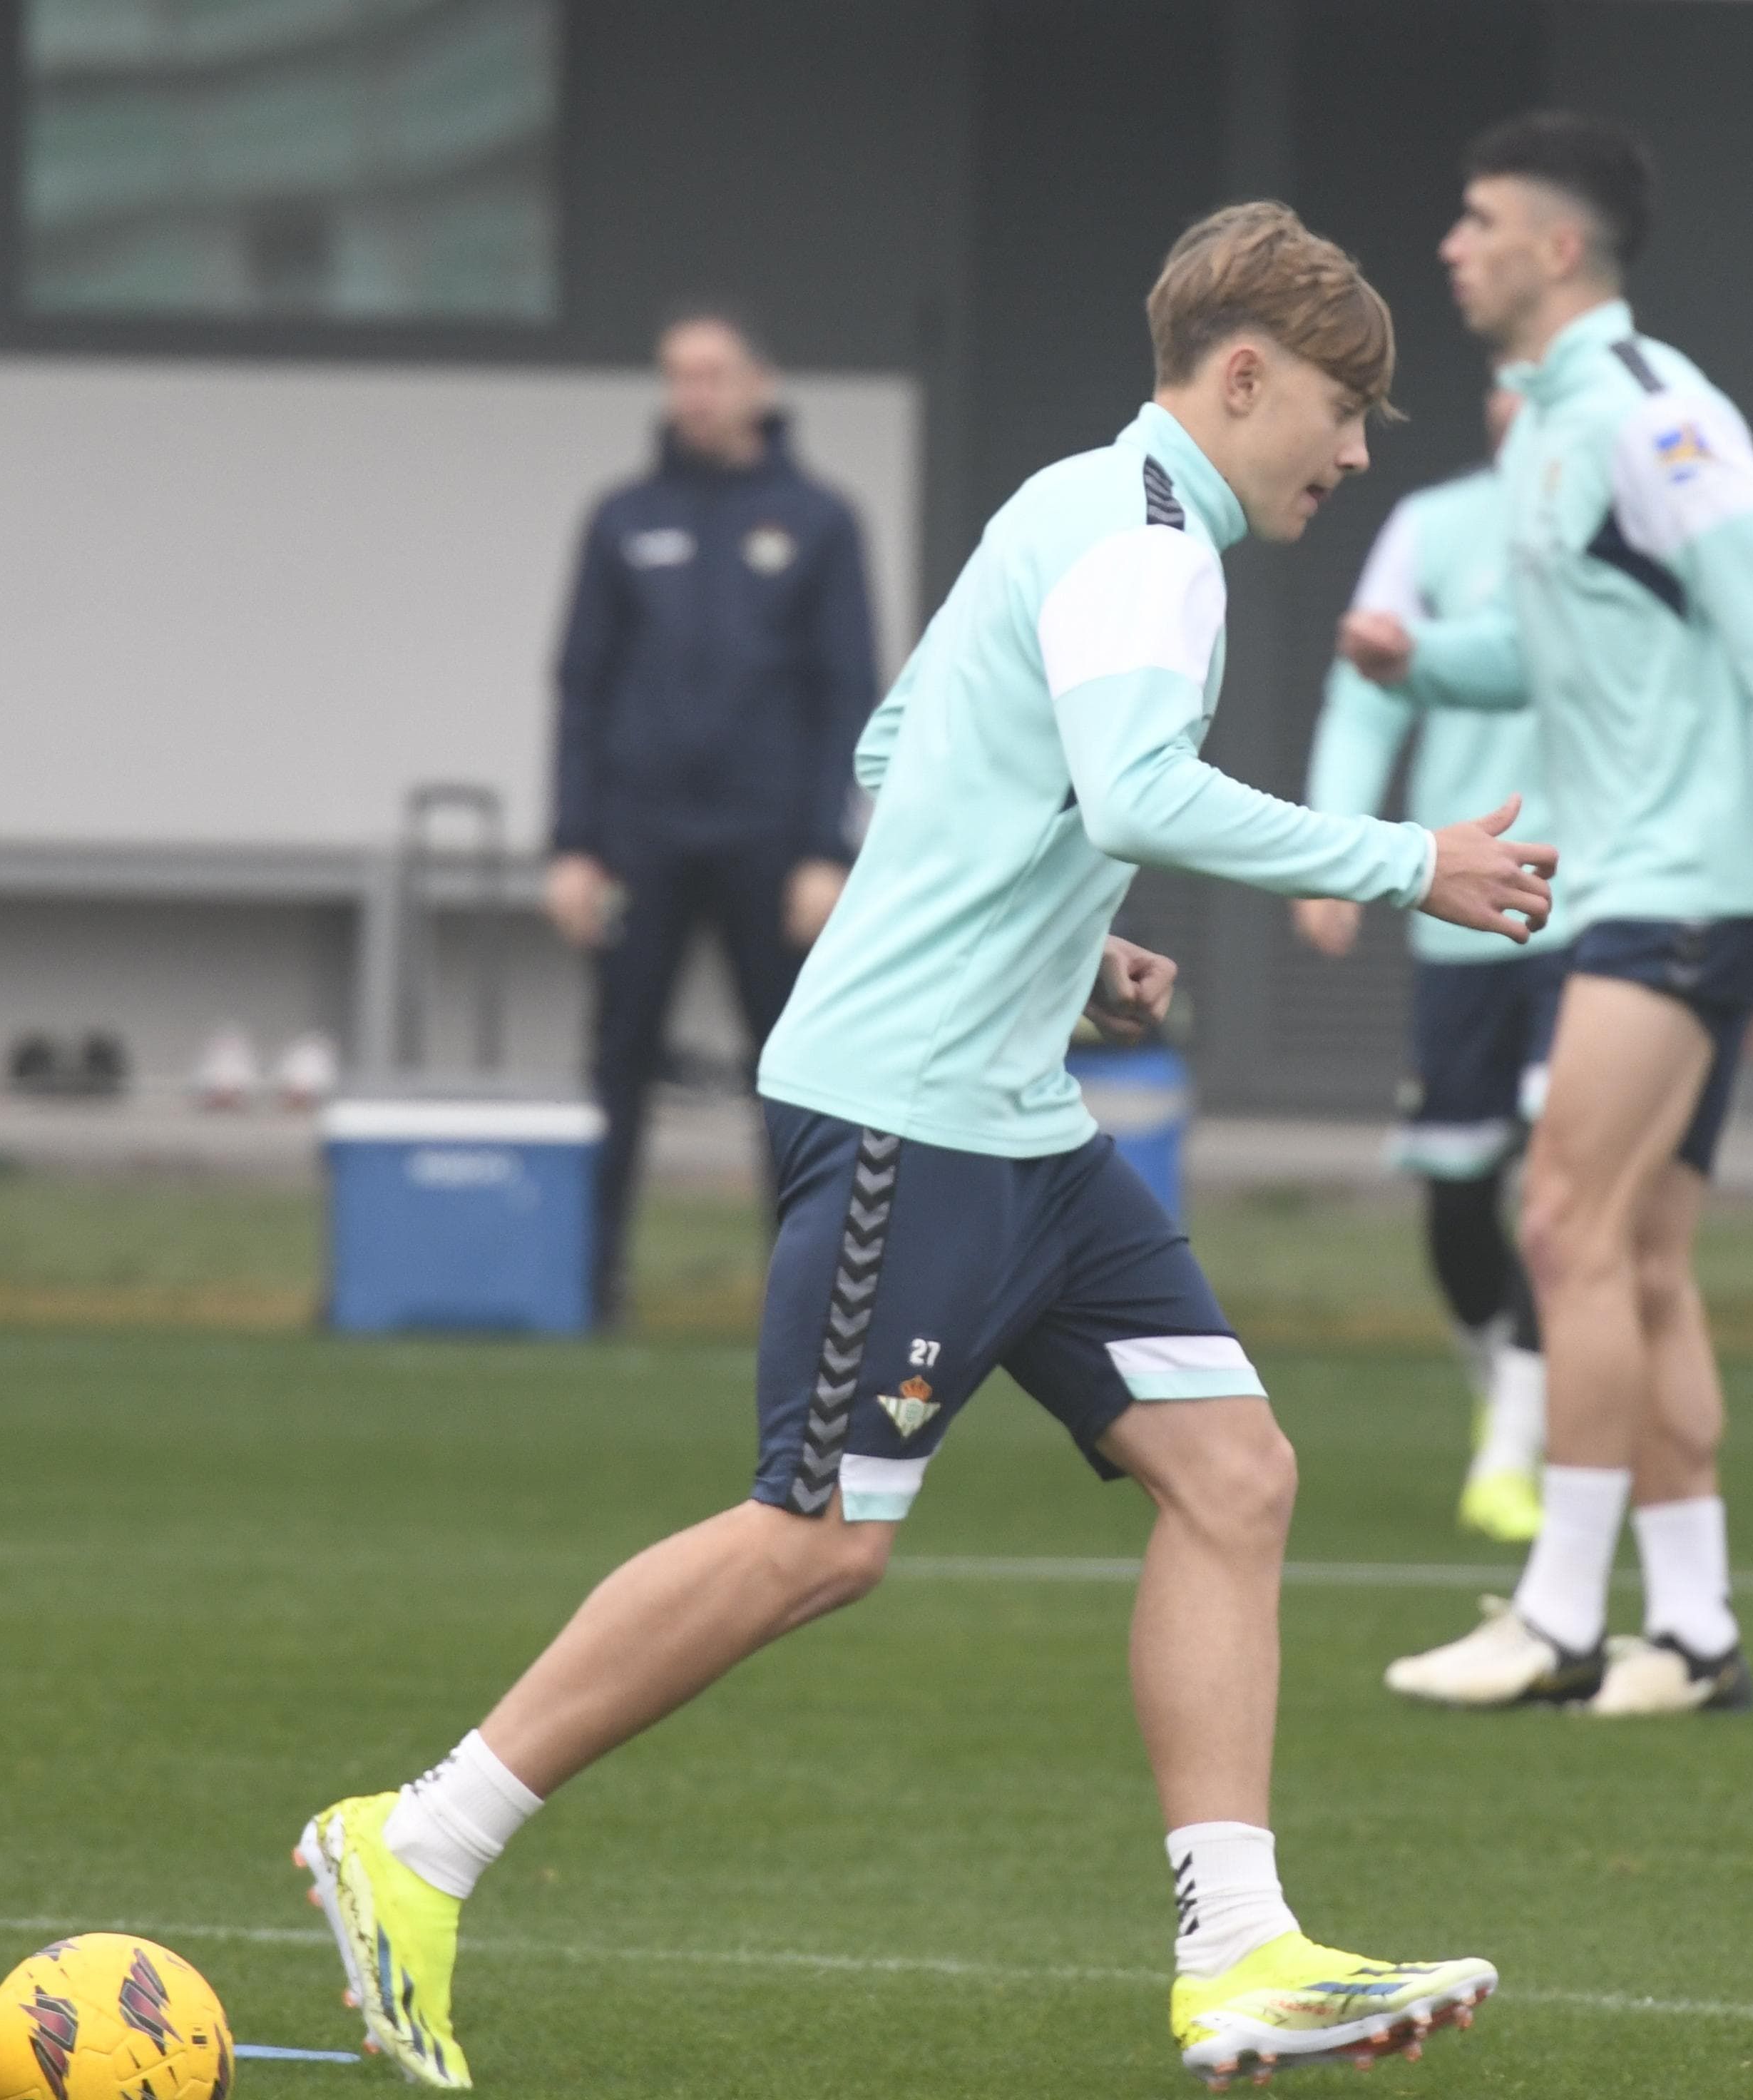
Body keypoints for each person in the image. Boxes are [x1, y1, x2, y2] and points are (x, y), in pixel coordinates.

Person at [294, 203, 1552, 2089]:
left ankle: (1236, 1958)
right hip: (909, 1117)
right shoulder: (1151, 550)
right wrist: (1413, 864)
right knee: (814, 1543)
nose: (1360, 451)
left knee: (1233, 1473)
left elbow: (898, 752)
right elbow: (1127, 785)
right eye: (1345, 409)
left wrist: (1066, 936)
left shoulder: (1071, 506)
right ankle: (416, 1841)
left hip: (1012, 1123)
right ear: (1241, 379)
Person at [1379, 111, 1753, 1719]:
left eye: (1473, 220)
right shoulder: (1546, 423)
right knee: (1648, 1256)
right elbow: (1559, 658)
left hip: (1684, 885)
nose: (1448, 245)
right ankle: (1696, 1630)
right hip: (1646, 879)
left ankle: (1556, 1618)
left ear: (1556, 248)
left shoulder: (1663, 421)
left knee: (1562, 1223)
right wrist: (1421, 661)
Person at [545, 305, 881, 1325]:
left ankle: (801, 1299)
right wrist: (572, 845)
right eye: (677, 376)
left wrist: (827, 850)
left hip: (772, 845)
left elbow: (848, 688)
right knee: (616, 1060)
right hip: (638, 841)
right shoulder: (621, 517)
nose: (694, 394)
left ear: (760, 385)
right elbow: (581, 686)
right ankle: (590, 1284)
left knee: (792, 1073)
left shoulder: (819, 521)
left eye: (713, 374)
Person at [1292, 378, 1567, 1545]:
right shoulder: (1430, 529)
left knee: (1568, 1191)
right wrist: (1335, 848)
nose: (1521, 399)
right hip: (1461, 901)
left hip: (1606, 903)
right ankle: (1509, 1388)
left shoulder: (1645, 534)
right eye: (1504, 380)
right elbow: (1370, 691)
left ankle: (1516, 1449)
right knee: (1458, 1196)